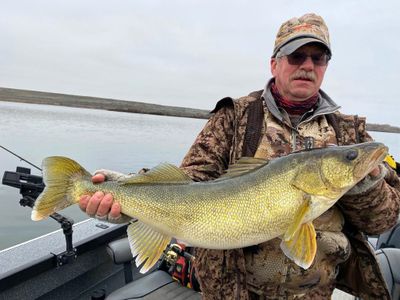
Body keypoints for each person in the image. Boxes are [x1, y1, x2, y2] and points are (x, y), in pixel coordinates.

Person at [79, 13, 400, 299]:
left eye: (318, 58)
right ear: (275, 63)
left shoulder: (348, 134)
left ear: (326, 66)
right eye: (296, 55)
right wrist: (124, 194)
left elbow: (384, 221)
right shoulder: (235, 118)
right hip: (231, 292)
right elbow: (191, 181)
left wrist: (365, 183)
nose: (307, 65)